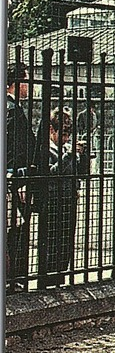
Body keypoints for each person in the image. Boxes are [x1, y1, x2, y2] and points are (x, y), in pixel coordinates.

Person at [35, 108, 88, 287]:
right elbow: (50, 174)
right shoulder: (43, 149)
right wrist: (70, 155)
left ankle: (60, 278)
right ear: (51, 130)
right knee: (51, 244)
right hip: (52, 201)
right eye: (63, 134)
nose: (66, 139)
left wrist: (82, 155)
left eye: (68, 135)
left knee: (66, 244)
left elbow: (80, 174)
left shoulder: (66, 148)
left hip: (68, 200)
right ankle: (46, 281)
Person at [6, 62, 36, 290]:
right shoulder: (11, 110)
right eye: (26, 81)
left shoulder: (12, 107)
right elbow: (12, 150)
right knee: (15, 231)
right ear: (15, 84)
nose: (29, 86)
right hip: (15, 180)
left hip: (15, 178)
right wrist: (18, 182)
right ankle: (13, 280)